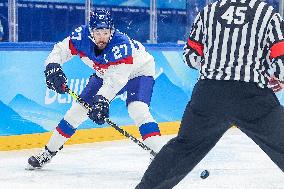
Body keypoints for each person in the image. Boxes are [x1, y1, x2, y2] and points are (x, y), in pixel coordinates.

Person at [136, 0, 284, 188]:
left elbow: (190, 57)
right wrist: (279, 77)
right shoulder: (267, 13)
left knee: (183, 148)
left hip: (209, 95)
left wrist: (215, 65)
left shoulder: (209, 11)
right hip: (251, 96)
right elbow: (280, 57)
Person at [27, 10, 162, 169]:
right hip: (106, 73)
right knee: (76, 112)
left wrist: (102, 100)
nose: (102, 37)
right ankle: (48, 152)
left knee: (137, 109)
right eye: (98, 32)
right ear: (90, 31)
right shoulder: (80, 37)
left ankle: (162, 156)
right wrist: (52, 66)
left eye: (106, 32)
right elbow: (61, 49)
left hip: (139, 71)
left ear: (112, 31)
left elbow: (116, 80)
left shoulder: (121, 45)